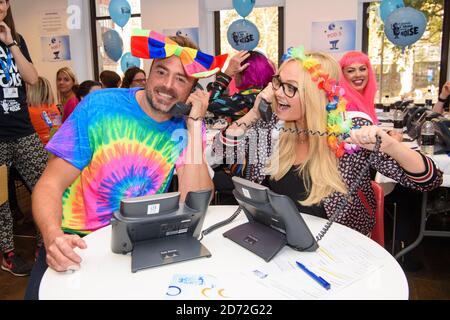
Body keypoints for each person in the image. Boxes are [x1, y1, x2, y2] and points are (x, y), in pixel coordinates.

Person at [25, 30, 225, 299]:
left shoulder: (186, 127)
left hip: (137, 244)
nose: (167, 85)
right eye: (162, 72)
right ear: (150, 69)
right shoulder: (99, 106)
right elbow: (49, 184)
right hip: (76, 242)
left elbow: (196, 200)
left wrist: (195, 124)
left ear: (192, 89)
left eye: (181, 79)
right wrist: (52, 236)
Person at [212, 47, 442, 237]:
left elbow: (429, 180)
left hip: (336, 251)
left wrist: (391, 146)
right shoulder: (272, 128)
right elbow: (218, 152)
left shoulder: (350, 136)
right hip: (277, 241)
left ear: (315, 94)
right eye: (278, 83)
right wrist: (253, 113)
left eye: (290, 87)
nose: (279, 93)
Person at [0, 0, 48, 277]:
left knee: (44, 185)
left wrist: (11, 43)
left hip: (22, 129)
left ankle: (44, 245)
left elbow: (31, 77)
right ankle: (8, 253)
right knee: (2, 200)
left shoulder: (16, 39)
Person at [208, 50, 275, 123]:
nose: (233, 75)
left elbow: (209, 104)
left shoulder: (246, 99)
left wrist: (227, 73)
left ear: (244, 73)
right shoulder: (267, 92)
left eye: (235, 72)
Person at [339, 51, 378, 124]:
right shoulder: (345, 104)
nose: (358, 75)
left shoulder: (364, 98)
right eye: (351, 71)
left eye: (362, 69)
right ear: (343, 75)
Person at [27, 76, 62, 145]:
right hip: (58, 145)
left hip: (41, 149)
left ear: (31, 91)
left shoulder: (29, 111)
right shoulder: (54, 108)